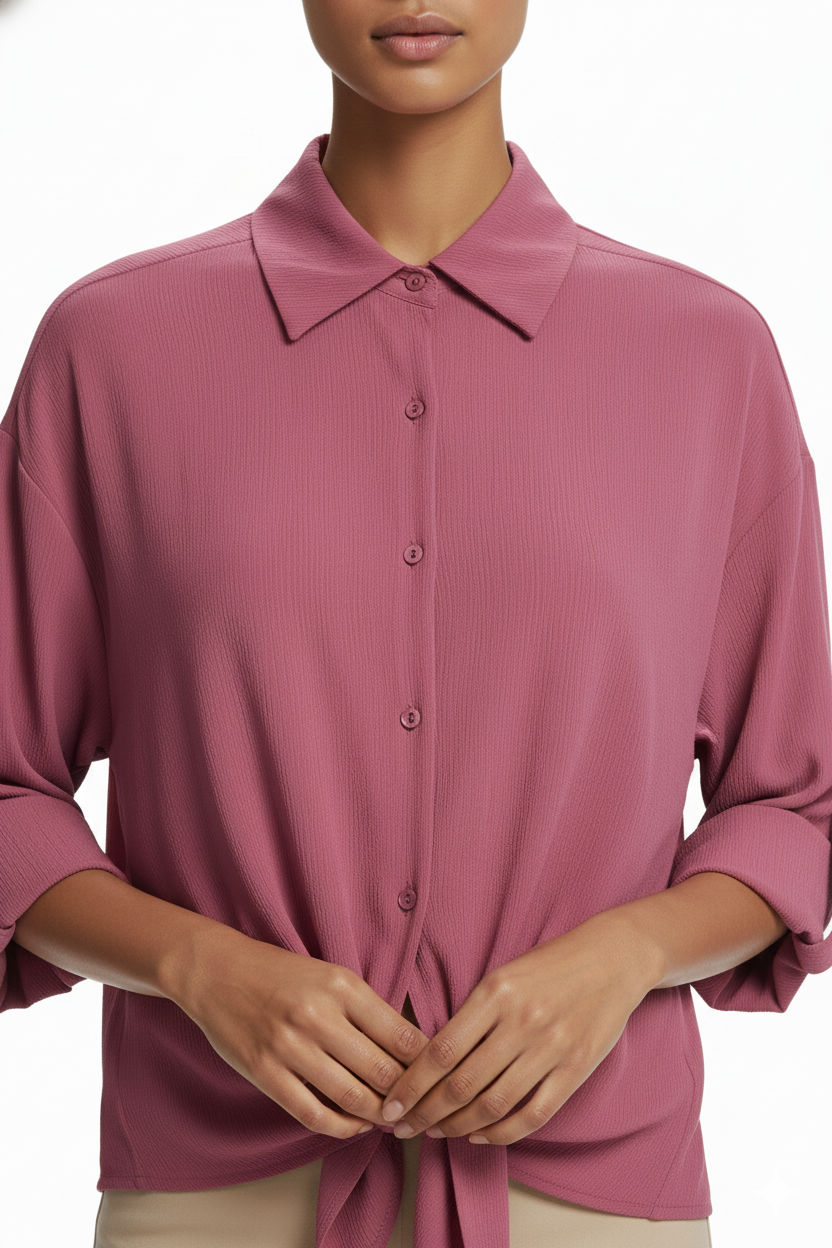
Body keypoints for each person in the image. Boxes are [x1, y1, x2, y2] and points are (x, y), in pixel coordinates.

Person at [2, 1, 831, 1245]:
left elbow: (792, 807)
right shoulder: (109, 348)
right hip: (214, 1201)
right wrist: (197, 966)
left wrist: (625, 956)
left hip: (590, 1204)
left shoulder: (710, 356)